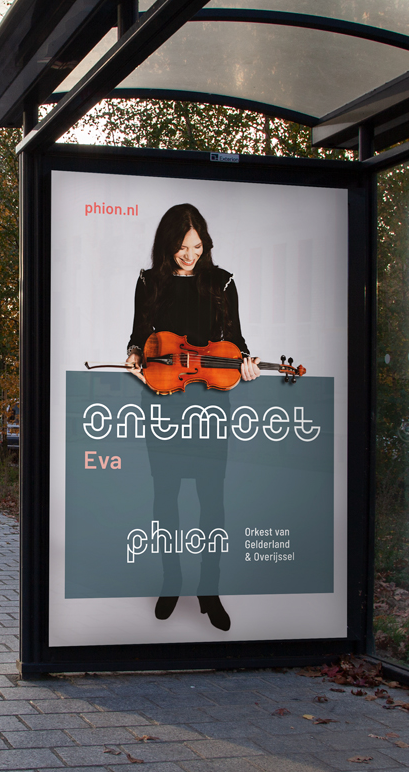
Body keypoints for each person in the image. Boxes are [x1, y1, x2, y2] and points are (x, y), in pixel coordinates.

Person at [124, 203, 258, 631]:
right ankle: (172, 581)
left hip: (210, 404)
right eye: (183, 247)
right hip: (163, 400)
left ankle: (209, 589)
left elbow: (233, 338)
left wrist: (247, 361)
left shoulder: (222, 282)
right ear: (168, 244)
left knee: (211, 500)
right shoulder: (149, 282)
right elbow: (138, 336)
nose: (190, 254)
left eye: (197, 246)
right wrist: (133, 358)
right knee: (165, 497)